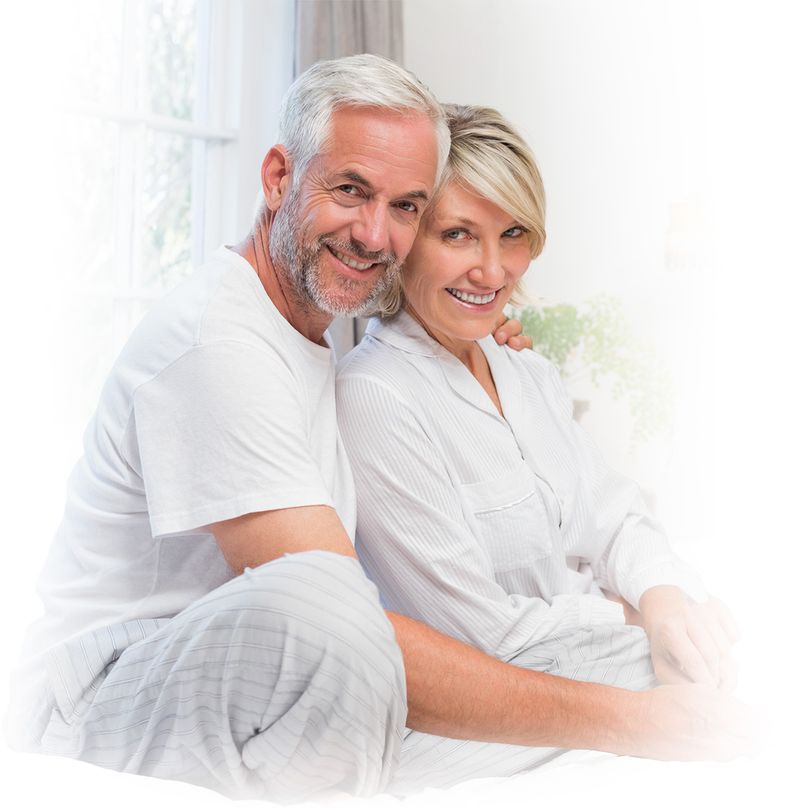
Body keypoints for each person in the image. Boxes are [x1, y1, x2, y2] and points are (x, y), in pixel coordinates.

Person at [6, 57, 751, 803]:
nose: (373, 233)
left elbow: (607, 510)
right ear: (276, 178)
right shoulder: (223, 344)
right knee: (333, 602)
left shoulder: (312, 331)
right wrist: (629, 717)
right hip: (103, 695)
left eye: (405, 207)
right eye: (351, 190)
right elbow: (342, 621)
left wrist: (650, 599)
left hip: (244, 678)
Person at [336, 103, 754, 794]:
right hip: (491, 730)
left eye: (514, 234)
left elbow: (616, 512)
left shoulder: (524, 370)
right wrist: (635, 616)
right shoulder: (375, 397)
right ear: (407, 236)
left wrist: (664, 595)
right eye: (459, 234)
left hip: (610, 670)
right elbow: (484, 638)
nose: (493, 270)